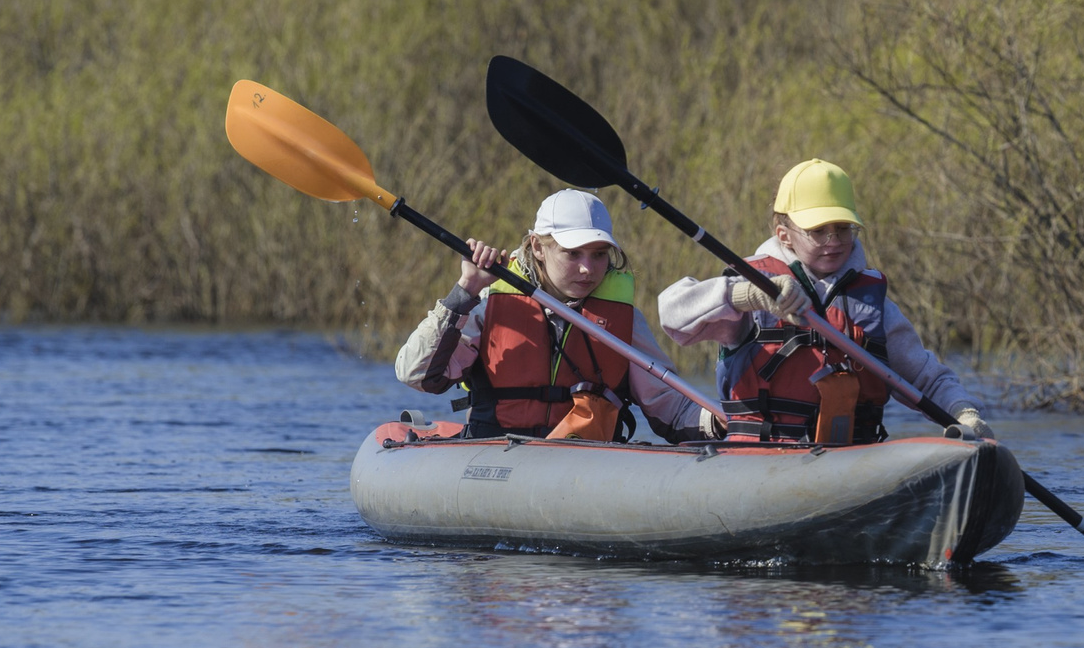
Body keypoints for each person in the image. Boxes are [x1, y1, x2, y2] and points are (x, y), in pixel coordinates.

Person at [656, 158, 989, 446]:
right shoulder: (752, 283)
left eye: (842, 228)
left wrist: (964, 412)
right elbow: (672, 313)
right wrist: (747, 296)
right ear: (783, 233)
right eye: (818, 231)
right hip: (760, 459)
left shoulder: (871, 302)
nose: (834, 241)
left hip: (850, 456)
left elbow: (926, 378)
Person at [395, 188, 720, 442]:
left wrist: (716, 421)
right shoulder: (486, 305)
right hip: (495, 456)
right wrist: (465, 289)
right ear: (537, 247)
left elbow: (669, 406)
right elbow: (416, 373)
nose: (587, 268)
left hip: (579, 467)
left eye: (598, 255)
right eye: (572, 253)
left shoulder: (624, 321)